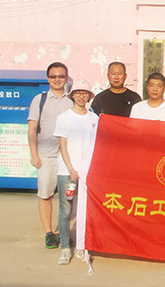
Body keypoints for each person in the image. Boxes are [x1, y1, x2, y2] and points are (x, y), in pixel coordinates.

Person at [27, 62, 73, 249]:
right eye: (53, 76)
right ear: (48, 78)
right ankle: (48, 232)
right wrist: (34, 154)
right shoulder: (40, 100)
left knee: (68, 196)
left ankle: (64, 231)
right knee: (45, 194)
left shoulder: (72, 100)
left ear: (66, 78)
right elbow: (32, 129)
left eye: (61, 76)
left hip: (68, 157)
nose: (57, 79)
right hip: (46, 156)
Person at [53, 80, 98, 265]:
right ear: (72, 95)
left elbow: (97, 146)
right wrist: (71, 169)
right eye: (78, 93)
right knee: (66, 210)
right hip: (67, 172)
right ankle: (65, 248)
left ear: (89, 96)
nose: (81, 96)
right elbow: (63, 146)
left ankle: (82, 246)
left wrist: (89, 169)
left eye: (84, 93)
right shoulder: (64, 118)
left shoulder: (94, 119)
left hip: (88, 173)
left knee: (85, 211)